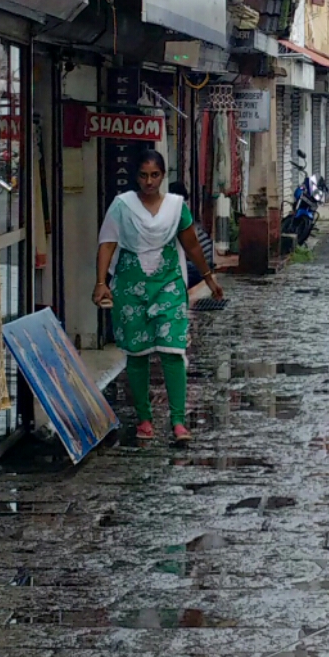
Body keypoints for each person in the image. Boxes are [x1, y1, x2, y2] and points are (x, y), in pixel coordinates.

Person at [93, 150, 223, 444]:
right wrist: (101, 282)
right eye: (143, 175)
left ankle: (178, 421)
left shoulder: (176, 208)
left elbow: (191, 245)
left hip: (168, 286)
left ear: (163, 176)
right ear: (136, 176)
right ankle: (144, 419)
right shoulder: (122, 207)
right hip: (131, 288)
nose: (149, 181)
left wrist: (208, 278)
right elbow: (107, 244)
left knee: (172, 350)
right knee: (137, 353)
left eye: (154, 175)